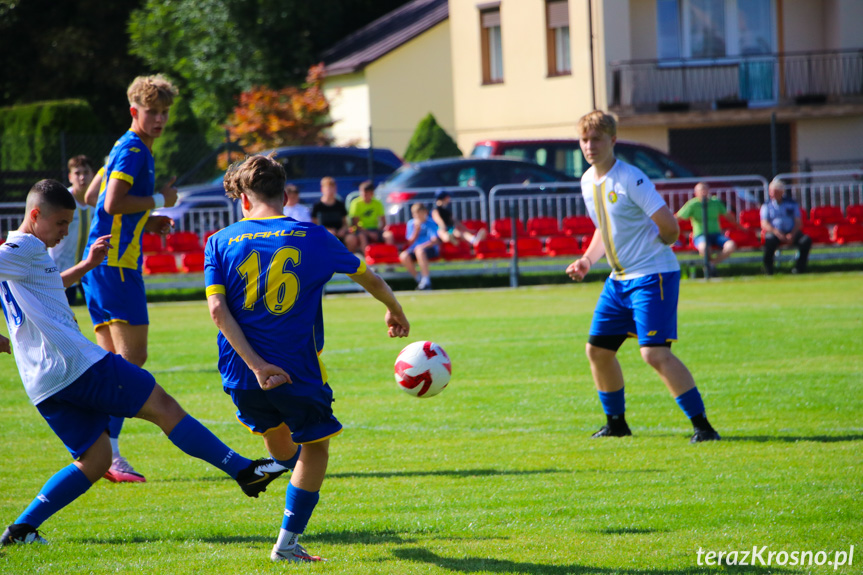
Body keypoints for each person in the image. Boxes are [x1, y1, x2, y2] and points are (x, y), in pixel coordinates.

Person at [0, 180, 286, 547]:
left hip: (43, 382)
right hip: (76, 364)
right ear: (35, 215)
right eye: (60, 224)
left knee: (97, 458)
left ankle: (21, 529)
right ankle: (244, 470)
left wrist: (87, 265)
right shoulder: (23, 247)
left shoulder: (22, 252)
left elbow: (45, 287)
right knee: (162, 405)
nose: (64, 232)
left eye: (69, 224)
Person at [204, 155, 409, 562]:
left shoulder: (219, 240)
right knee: (315, 449)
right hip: (295, 369)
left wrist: (255, 366)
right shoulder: (313, 236)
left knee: (282, 445)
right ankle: (287, 543)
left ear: (243, 199)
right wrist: (394, 309)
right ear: (284, 195)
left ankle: (283, 477)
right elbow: (368, 275)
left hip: (241, 373)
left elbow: (216, 311)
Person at [565, 110, 720, 444]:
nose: (589, 146)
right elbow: (603, 229)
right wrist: (587, 261)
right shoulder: (587, 181)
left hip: (652, 276)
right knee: (598, 351)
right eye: (584, 140)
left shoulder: (631, 179)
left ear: (612, 141)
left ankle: (704, 428)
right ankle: (617, 424)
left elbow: (671, 226)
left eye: (597, 139)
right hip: (618, 280)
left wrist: (659, 246)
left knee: (654, 354)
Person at [80, 74, 181, 483]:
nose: (158, 119)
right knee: (131, 362)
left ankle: (100, 446)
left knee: (112, 365)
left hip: (101, 265)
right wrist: (160, 200)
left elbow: (89, 198)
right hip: (117, 268)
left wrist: (147, 219)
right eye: (151, 111)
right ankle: (110, 452)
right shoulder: (135, 150)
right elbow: (110, 201)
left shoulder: (124, 145)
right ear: (133, 111)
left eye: (163, 112)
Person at [47, 155, 96, 306]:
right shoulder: (62, 201)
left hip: (88, 270)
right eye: (77, 173)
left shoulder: (97, 201)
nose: (82, 177)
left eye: (86, 173)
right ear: (70, 177)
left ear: (93, 175)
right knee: (62, 320)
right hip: (61, 271)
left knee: (103, 314)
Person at [675, 182, 743, 273]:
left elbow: (728, 216)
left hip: (716, 235)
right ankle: (710, 269)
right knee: (705, 248)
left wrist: (740, 226)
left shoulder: (716, 202)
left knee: (731, 245)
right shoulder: (692, 204)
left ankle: (711, 264)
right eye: (701, 190)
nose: (703, 192)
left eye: (705, 189)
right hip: (700, 235)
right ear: (696, 193)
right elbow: (678, 217)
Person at [760, 179, 811, 275]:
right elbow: (764, 223)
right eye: (770, 191)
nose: (771, 193)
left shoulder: (792, 203)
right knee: (769, 240)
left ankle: (799, 269)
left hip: (792, 232)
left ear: (781, 192)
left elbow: (798, 222)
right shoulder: (767, 205)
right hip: (775, 233)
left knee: (805, 240)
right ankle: (768, 269)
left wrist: (792, 234)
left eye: (774, 191)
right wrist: (778, 233)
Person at [399, 202, 440, 291]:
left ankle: (426, 280)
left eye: (419, 213)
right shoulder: (411, 224)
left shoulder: (430, 222)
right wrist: (416, 231)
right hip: (414, 249)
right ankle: (420, 280)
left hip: (429, 249)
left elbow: (435, 240)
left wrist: (422, 246)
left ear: (424, 212)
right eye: (414, 214)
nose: (416, 216)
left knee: (420, 251)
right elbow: (409, 242)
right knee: (403, 256)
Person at [311, 177, 357, 251]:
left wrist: (342, 230)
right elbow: (314, 225)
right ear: (322, 189)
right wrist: (327, 230)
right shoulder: (317, 206)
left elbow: (345, 223)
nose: (331, 191)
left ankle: (347, 260)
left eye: (333, 188)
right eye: (328, 189)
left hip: (340, 234)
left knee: (351, 239)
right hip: (324, 234)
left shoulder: (340, 205)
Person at [348, 180, 386, 254]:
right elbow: (355, 223)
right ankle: (368, 260)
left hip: (374, 229)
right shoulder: (356, 203)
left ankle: (389, 258)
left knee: (388, 236)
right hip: (361, 230)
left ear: (372, 193)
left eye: (366, 193)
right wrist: (369, 233)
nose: (363, 196)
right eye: (362, 193)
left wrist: (378, 231)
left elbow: (383, 221)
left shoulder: (377, 203)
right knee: (362, 237)